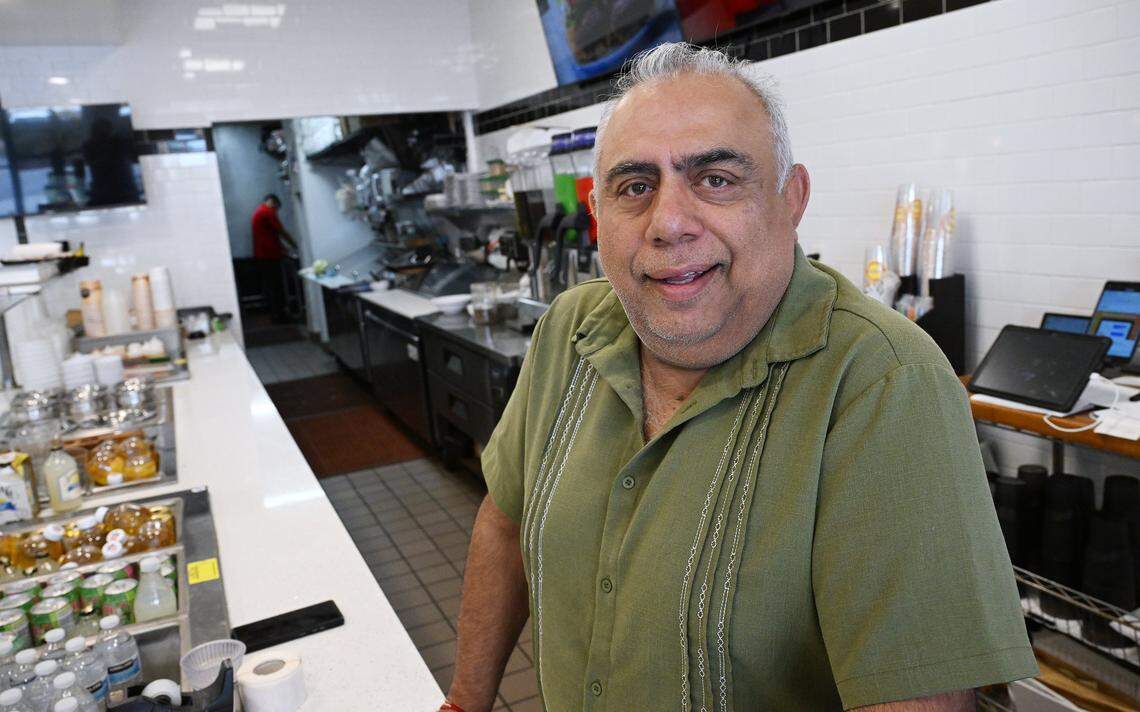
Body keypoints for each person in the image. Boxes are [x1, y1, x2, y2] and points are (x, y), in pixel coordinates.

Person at [439, 44, 1037, 712]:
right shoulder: (568, 331)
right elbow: (504, 523)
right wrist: (464, 703)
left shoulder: (883, 383)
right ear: (599, 217)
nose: (669, 223)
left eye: (716, 179)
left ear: (792, 199)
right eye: (635, 187)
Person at [250, 193, 298, 321]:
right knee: (276, 287)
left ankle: (276, 314)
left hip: (263, 255)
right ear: (273, 202)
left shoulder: (260, 211)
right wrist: (296, 245)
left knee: (271, 286)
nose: (276, 211)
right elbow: (281, 231)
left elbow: (271, 235)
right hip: (268, 256)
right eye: (276, 208)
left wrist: (284, 248)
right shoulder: (267, 212)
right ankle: (279, 316)